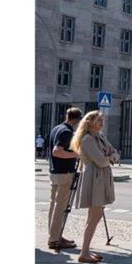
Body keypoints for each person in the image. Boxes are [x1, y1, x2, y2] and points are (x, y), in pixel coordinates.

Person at [71, 110, 119, 264]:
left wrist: (112, 156)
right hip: (94, 179)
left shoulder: (100, 136)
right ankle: (84, 252)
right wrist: (110, 157)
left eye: (102, 120)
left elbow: (114, 152)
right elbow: (101, 160)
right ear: (90, 122)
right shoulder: (87, 139)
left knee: (94, 216)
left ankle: (85, 251)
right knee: (95, 216)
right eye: (99, 120)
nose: (102, 123)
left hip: (101, 178)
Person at [46, 107, 83, 250]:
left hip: (55, 171)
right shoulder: (67, 132)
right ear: (77, 119)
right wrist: (76, 155)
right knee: (60, 207)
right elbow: (57, 151)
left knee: (54, 205)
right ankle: (55, 239)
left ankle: (54, 235)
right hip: (64, 173)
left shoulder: (57, 128)